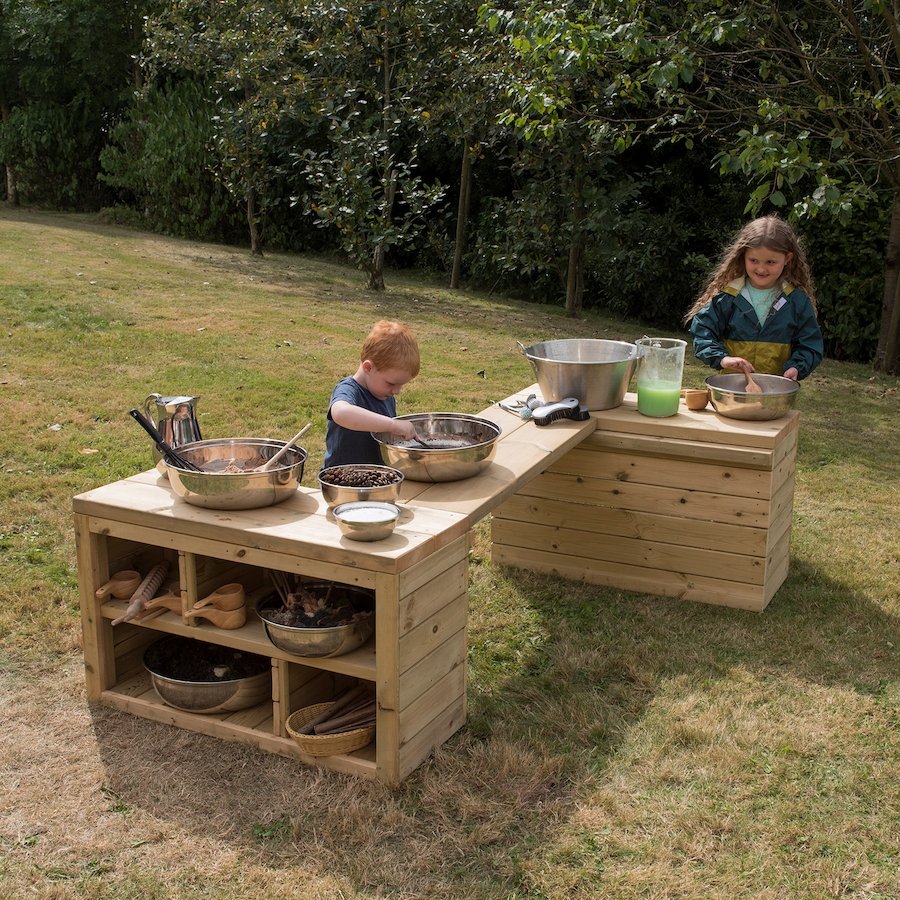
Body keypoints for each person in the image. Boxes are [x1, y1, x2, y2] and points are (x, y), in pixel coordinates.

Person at [685, 215, 824, 381]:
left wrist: (797, 367)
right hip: (732, 391)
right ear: (743, 256)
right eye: (754, 260)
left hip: (776, 395)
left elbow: (810, 345)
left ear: (787, 259)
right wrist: (723, 359)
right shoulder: (727, 297)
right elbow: (703, 331)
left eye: (770, 262)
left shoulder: (797, 302)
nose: (761, 268)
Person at [323, 320, 421, 468]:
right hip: (344, 481)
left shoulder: (385, 395)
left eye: (401, 385)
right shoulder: (349, 390)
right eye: (391, 384)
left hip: (378, 478)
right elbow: (341, 413)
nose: (397, 391)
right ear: (368, 368)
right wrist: (393, 425)